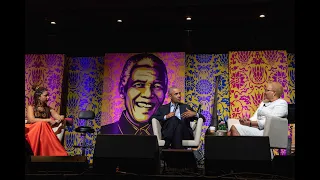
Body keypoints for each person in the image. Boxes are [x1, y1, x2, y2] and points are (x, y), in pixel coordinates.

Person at [100, 53, 168, 135]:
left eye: (157, 86)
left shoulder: (168, 134)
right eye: (139, 85)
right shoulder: (105, 133)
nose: (148, 94)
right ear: (122, 90)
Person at [25, 85, 68, 156]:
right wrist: (48, 120)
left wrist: (61, 117)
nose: (48, 97)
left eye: (48, 95)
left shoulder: (49, 108)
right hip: (32, 130)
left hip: (44, 132)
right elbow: (31, 120)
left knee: (43, 125)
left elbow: (58, 117)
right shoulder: (31, 107)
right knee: (42, 124)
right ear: (39, 97)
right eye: (46, 95)